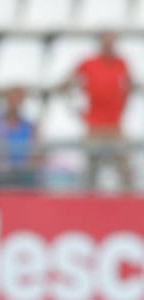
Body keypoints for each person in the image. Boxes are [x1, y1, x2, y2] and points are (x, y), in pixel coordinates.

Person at [58, 31, 134, 191]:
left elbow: (129, 86)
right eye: (106, 42)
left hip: (115, 125)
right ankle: (90, 200)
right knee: (92, 168)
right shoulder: (88, 63)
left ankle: (129, 200)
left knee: (125, 168)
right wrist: (76, 109)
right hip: (94, 125)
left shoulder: (122, 63)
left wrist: (123, 106)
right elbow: (64, 85)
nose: (109, 46)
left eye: (111, 42)